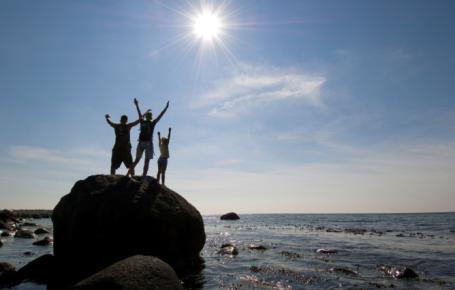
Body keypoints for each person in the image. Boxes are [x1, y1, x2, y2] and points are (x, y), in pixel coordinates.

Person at [127, 98, 169, 177]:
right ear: (151, 117)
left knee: (137, 160)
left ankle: (127, 174)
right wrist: (166, 108)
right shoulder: (152, 123)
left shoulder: (142, 121)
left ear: (146, 117)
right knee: (146, 161)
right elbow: (160, 115)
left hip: (141, 142)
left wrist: (136, 105)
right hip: (148, 143)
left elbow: (139, 113)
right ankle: (143, 176)